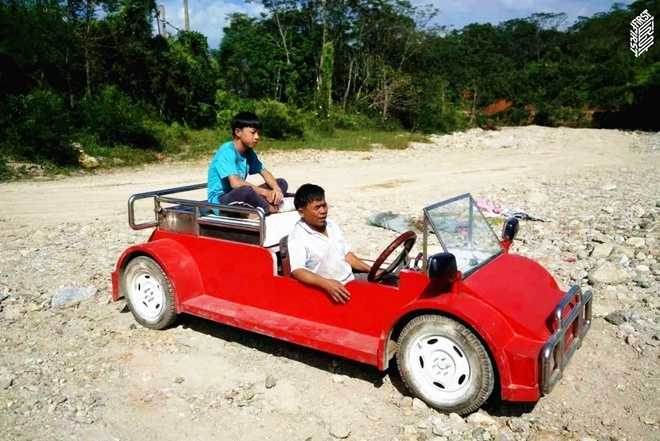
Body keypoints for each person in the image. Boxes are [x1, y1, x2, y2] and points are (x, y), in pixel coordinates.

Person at [287, 183, 376, 304]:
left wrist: (372, 270)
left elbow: (345, 255)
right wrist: (326, 283)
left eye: (324, 205)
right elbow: (298, 270)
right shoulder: (297, 236)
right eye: (317, 207)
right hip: (330, 292)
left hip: (350, 281)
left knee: (391, 279)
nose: (323, 211)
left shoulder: (331, 225)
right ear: (301, 212)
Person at [207, 112, 290, 215]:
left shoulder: (248, 152)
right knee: (245, 190)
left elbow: (264, 172)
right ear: (238, 132)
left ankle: (253, 209)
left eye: (258, 133)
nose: (257, 137)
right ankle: (270, 208)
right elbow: (235, 183)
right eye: (253, 133)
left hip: (240, 196)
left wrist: (276, 190)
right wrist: (265, 193)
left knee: (281, 182)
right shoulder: (227, 151)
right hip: (221, 200)